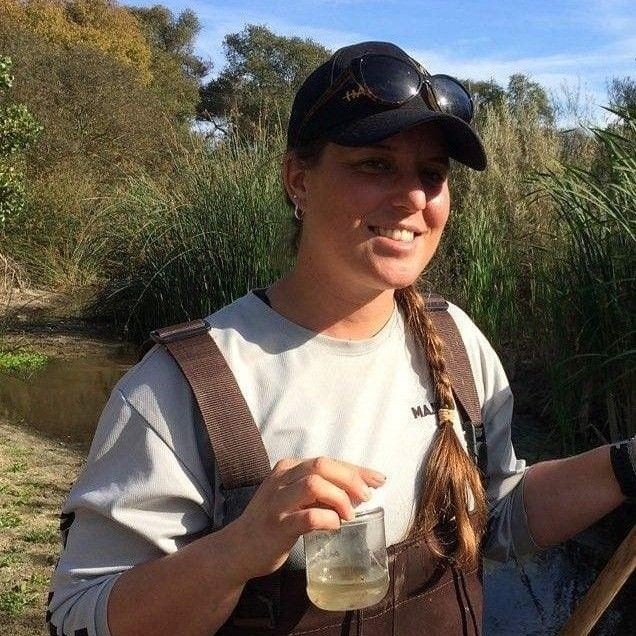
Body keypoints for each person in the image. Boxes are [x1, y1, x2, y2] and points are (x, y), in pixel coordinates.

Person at [47, 41, 634, 636]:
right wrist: (238, 550)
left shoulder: (455, 340)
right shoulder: (186, 383)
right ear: (298, 180)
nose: (411, 198)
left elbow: (499, 516)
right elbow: (81, 617)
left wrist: (625, 466)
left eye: (431, 174)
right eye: (375, 165)